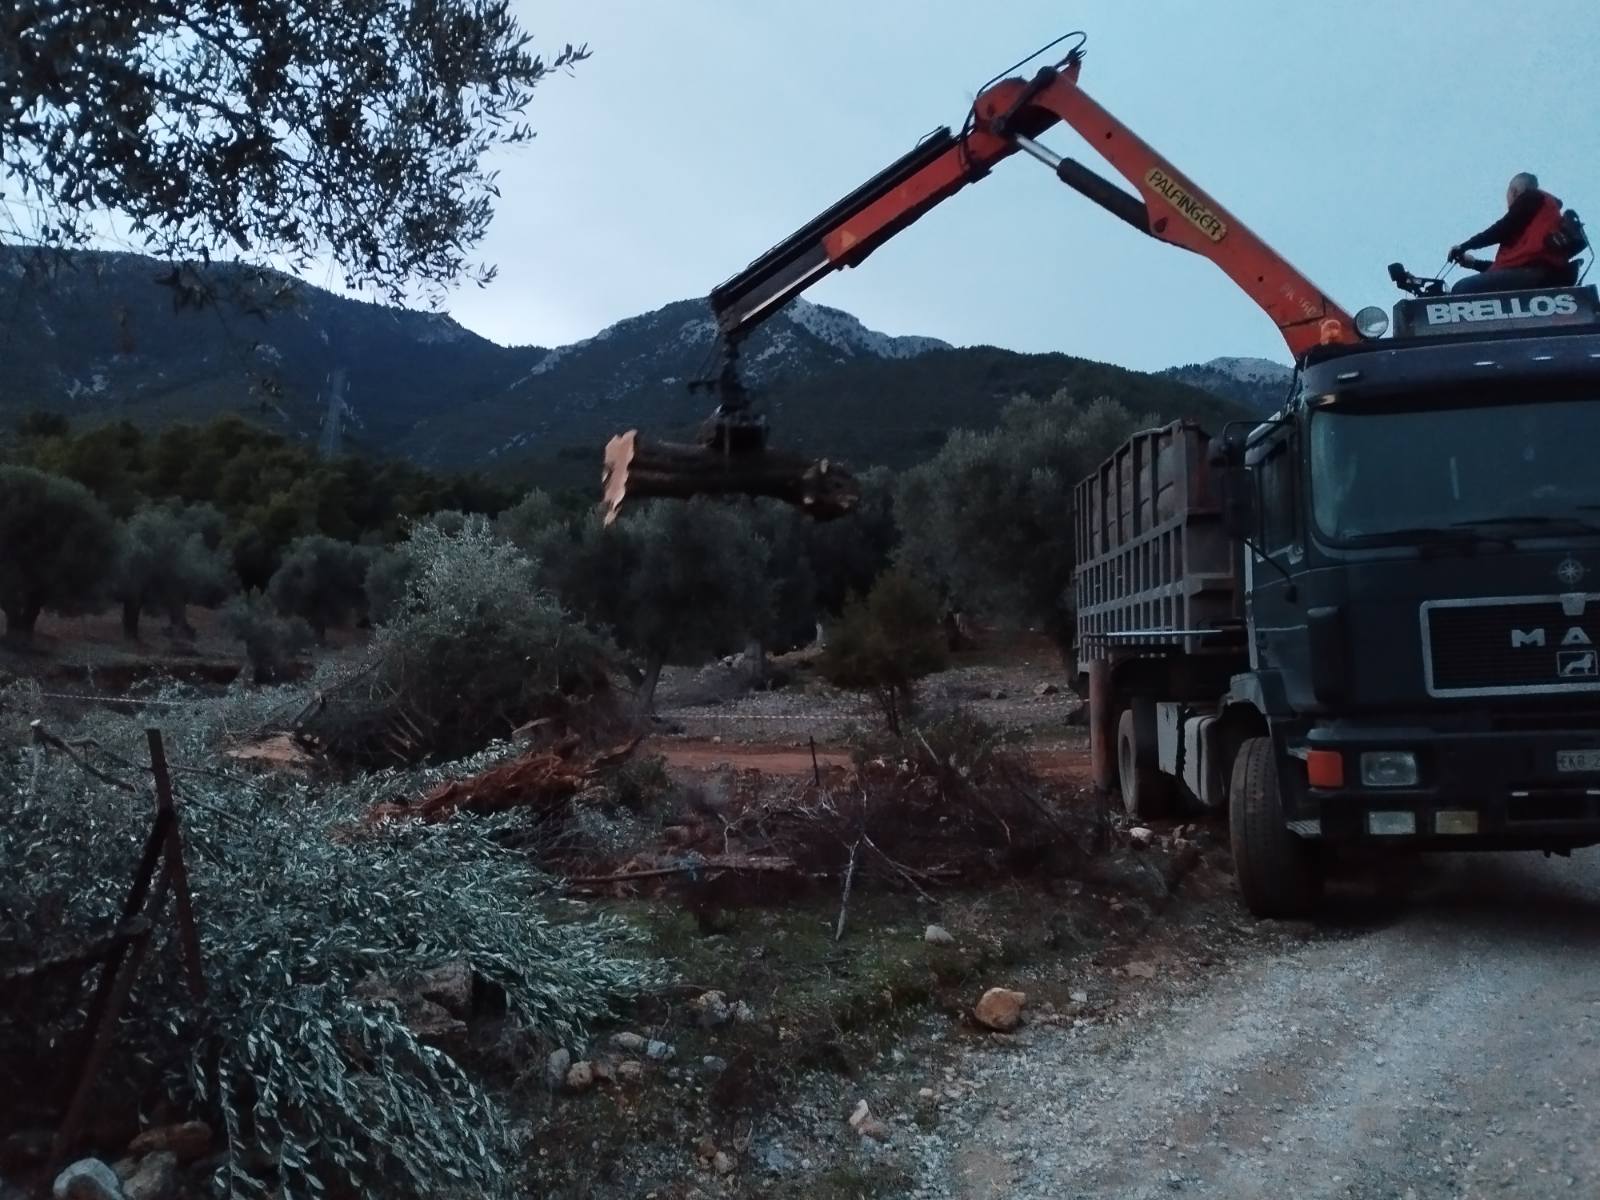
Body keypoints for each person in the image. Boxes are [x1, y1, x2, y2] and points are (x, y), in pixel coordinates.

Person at [1447, 173, 1571, 294]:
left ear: (1513, 191)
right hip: (1538, 273)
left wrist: (1463, 246)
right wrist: (1474, 263)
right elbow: (1507, 271)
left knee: (1461, 288)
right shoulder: (1536, 219)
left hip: (1538, 273)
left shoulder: (1531, 197)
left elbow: (1500, 229)